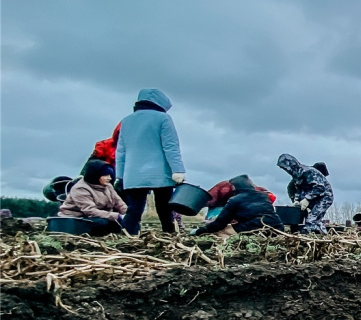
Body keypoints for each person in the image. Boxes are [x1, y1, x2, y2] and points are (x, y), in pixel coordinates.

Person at [115, 89, 185, 235]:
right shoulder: (163, 118)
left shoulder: (126, 121)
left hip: (133, 173)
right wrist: (178, 170)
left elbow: (121, 151)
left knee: (134, 210)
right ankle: (169, 236)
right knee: (165, 209)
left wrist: (120, 176)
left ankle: (125, 237)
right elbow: (171, 147)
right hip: (160, 172)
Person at [190, 175, 283, 237]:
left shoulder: (234, 200)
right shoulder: (263, 196)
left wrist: (199, 231)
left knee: (220, 231)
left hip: (254, 229)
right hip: (277, 227)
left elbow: (219, 224)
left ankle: (228, 249)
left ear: (235, 187)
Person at [58, 160, 127, 236]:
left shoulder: (108, 186)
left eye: (110, 175)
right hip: (77, 218)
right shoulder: (80, 189)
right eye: (105, 175)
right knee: (102, 223)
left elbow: (118, 202)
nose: (109, 178)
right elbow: (90, 211)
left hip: (100, 215)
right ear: (95, 175)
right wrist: (117, 216)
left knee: (123, 223)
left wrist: (128, 215)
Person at [277, 154, 333, 234]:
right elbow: (298, 189)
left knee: (311, 220)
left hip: (324, 197)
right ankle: (321, 233)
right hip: (313, 196)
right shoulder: (296, 174)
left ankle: (313, 235)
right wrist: (296, 200)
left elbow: (320, 188)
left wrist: (307, 199)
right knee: (314, 219)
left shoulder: (308, 172)